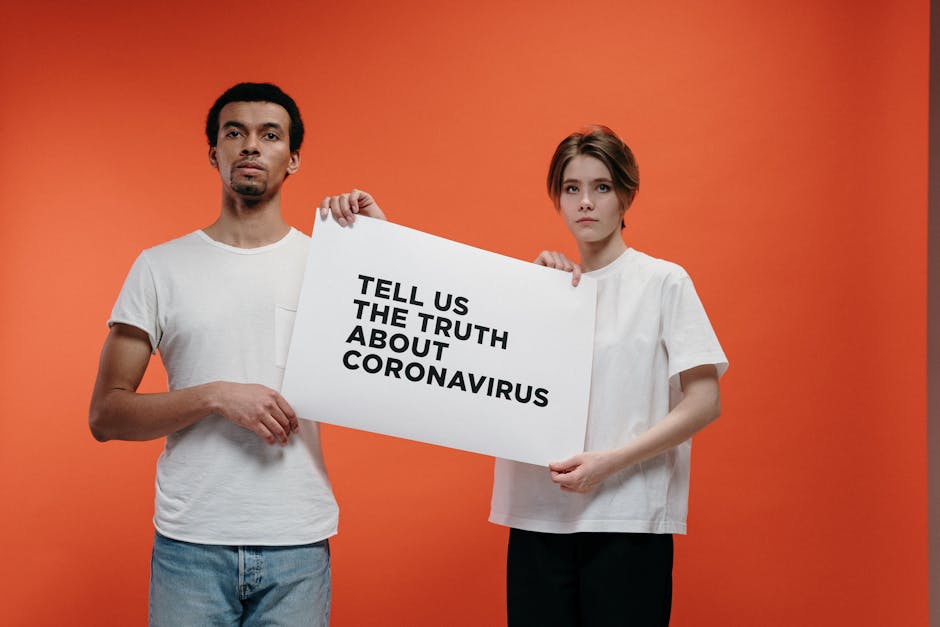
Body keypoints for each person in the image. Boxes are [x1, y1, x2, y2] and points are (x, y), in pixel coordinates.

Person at [88, 82, 383, 626]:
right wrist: (214, 396)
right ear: (214, 153)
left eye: (269, 135)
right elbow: (106, 415)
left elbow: (396, 367)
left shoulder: (329, 268)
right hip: (190, 547)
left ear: (292, 158)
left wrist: (379, 250)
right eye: (235, 133)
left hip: (297, 543)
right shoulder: (160, 268)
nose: (251, 146)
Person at [489, 125, 728, 626]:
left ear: (626, 195)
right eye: (571, 188)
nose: (586, 203)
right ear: (558, 198)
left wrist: (611, 462)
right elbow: (479, 371)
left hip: (627, 520)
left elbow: (704, 400)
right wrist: (532, 297)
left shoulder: (663, 282)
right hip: (539, 517)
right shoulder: (543, 287)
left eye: (602, 187)